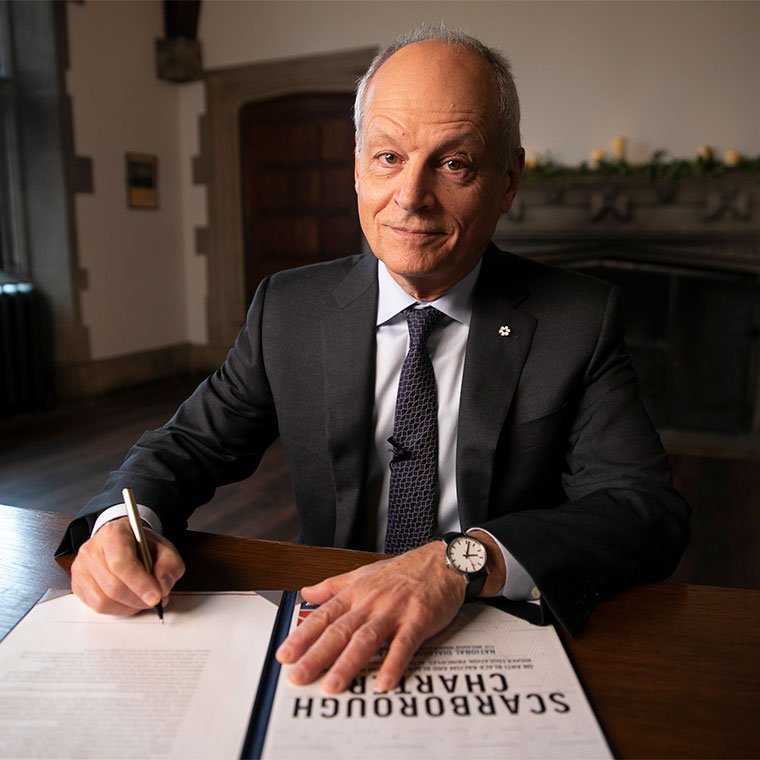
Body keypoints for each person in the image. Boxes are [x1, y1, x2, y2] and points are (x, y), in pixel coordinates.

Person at [57, 25, 690, 695]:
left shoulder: (577, 320)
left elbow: (642, 510)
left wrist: (459, 563)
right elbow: (187, 446)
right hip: (325, 629)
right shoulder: (289, 309)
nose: (412, 197)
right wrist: (123, 523)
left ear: (507, 181)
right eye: (389, 156)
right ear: (357, 165)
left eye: (454, 164)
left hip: (489, 636)